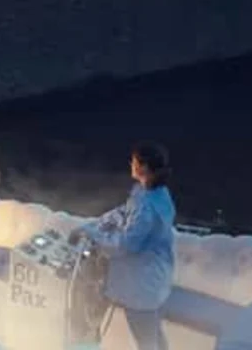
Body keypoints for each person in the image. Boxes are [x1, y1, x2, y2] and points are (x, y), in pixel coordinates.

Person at [85, 142, 176, 350]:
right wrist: (98, 223)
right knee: (153, 337)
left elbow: (125, 245)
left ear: (143, 168)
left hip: (141, 285)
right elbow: (125, 212)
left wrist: (94, 235)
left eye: (134, 162)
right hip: (149, 277)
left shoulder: (147, 206)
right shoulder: (153, 193)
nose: (131, 164)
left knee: (147, 342)